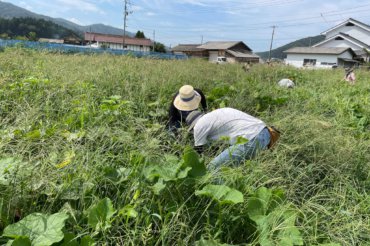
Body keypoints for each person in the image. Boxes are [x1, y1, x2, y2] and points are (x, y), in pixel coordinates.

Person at [185, 107, 280, 171]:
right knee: (241, 168)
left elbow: (198, 153)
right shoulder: (217, 114)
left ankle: (223, 196)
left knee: (212, 168)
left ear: (193, 125)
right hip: (265, 133)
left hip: (250, 139)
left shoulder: (198, 126)